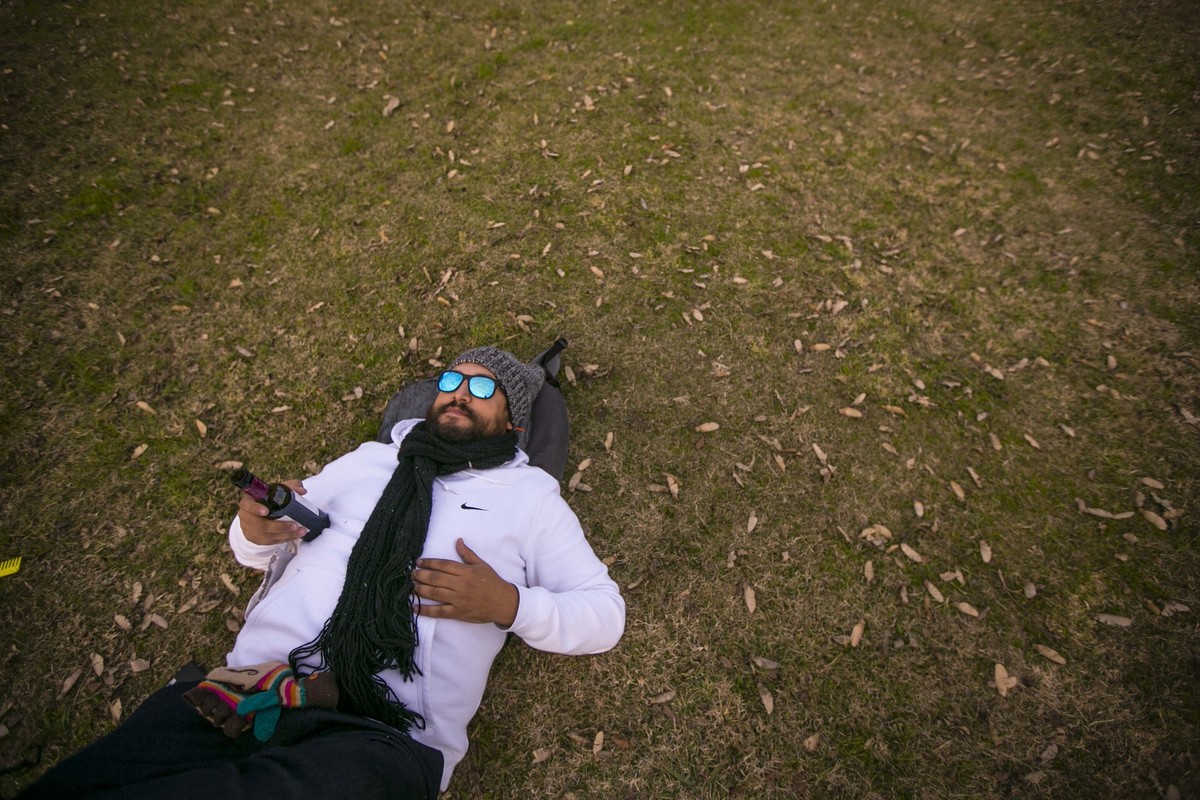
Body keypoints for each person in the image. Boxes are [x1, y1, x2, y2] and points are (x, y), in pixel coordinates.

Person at [20, 346, 625, 799]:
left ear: (514, 423)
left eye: (481, 386)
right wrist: (254, 532)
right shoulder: (368, 461)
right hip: (244, 692)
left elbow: (604, 614)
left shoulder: (529, 497)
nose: (458, 392)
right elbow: (266, 549)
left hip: (378, 733)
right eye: (450, 380)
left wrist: (508, 605)